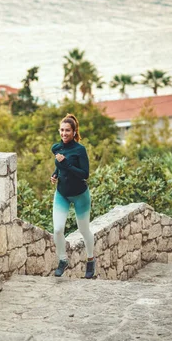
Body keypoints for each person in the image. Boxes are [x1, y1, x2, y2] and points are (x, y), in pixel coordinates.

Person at [50, 113, 96, 278]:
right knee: (57, 229)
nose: (64, 134)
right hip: (62, 193)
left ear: (74, 132)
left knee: (84, 229)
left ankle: (90, 260)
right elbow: (60, 165)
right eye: (62, 130)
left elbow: (85, 174)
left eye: (67, 130)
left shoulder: (79, 150)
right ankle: (62, 260)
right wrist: (55, 174)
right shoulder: (57, 148)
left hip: (80, 195)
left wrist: (66, 164)